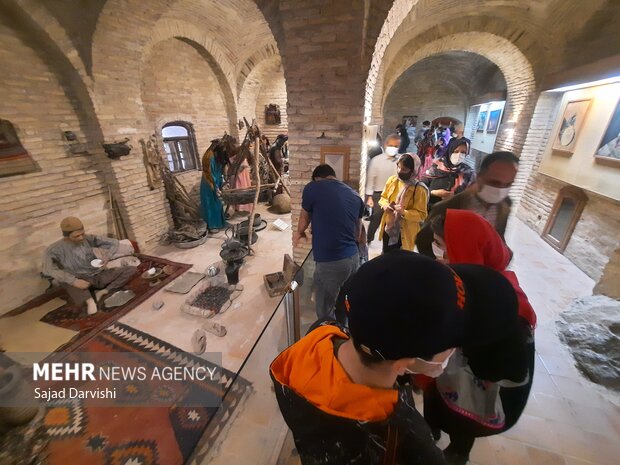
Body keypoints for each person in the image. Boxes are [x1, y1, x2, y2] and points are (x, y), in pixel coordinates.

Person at [270, 251, 521, 465]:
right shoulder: (405, 439)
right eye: (452, 344)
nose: (454, 352)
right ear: (404, 363)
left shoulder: (317, 337)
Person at [424, 209, 536, 465]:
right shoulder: (482, 279)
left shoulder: (502, 301)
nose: (440, 253)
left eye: (443, 245)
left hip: (480, 377)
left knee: (464, 416)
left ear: (464, 246)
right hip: (456, 372)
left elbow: (493, 362)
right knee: (438, 398)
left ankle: (457, 452)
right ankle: (432, 428)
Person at [416, 151, 519, 258]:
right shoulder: (447, 207)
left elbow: (498, 238)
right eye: (495, 182)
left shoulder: (504, 207)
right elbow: (423, 243)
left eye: (508, 184)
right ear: (480, 177)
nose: (500, 190)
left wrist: (504, 254)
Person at [294, 164, 364, 320]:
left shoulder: (313, 187)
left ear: (317, 178)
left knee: (325, 308)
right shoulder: (355, 196)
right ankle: (343, 329)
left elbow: (304, 219)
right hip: (353, 259)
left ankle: (328, 338)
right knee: (344, 301)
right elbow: (357, 232)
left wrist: (298, 233)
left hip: (331, 262)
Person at [42, 217, 137, 315]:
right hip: (80, 280)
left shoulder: (88, 238)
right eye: (76, 236)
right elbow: (47, 269)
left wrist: (107, 257)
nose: (81, 238)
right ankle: (89, 301)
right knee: (65, 281)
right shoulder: (54, 249)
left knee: (131, 270)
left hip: (98, 274)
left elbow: (114, 243)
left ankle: (104, 291)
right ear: (66, 236)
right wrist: (74, 281)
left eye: (82, 234)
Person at [378, 154, 428, 252]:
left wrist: (404, 212)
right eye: (399, 167)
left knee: (401, 261)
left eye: (404, 169)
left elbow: (422, 215)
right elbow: (383, 197)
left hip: (405, 232)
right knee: (386, 255)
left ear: (413, 170)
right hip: (389, 226)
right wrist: (385, 205)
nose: (400, 171)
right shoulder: (393, 180)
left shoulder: (419, 189)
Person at [365, 134, 399, 243]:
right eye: (390, 145)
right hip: (379, 194)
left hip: (396, 194)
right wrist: (369, 196)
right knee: (376, 218)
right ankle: (368, 239)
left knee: (392, 221)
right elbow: (370, 179)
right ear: (385, 145)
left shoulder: (401, 159)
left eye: (395, 146)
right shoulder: (376, 160)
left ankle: (389, 243)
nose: (393, 148)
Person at [424, 139, 475, 206]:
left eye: (463, 152)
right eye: (456, 151)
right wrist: (434, 192)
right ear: (450, 151)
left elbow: (472, 196)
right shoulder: (435, 166)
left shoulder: (468, 172)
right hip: (431, 208)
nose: (459, 155)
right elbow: (422, 186)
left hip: (455, 211)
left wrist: (455, 198)